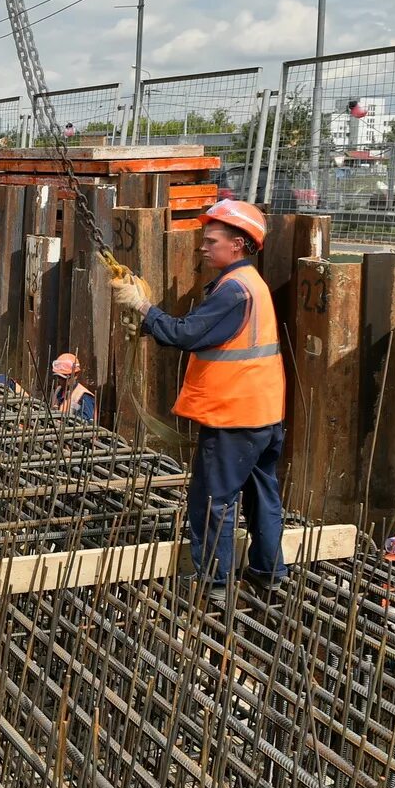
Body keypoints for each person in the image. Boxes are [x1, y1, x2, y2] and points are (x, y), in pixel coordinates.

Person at [113, 199, 285, 600]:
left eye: (211, 240)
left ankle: (215, 583)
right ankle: (268, 572)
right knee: (263, 498)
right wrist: (152, 323)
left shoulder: (235, 291)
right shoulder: (249, 285)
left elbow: (187, 334)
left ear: (238, 244)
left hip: (233, 417)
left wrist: (142, 307)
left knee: (213, 502)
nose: (203, 247)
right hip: (263, 414)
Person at [49, 353, 95, 421]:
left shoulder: (84, 396)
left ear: (76, 375)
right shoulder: (58, 391)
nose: (60, 380)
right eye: (59, 377)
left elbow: (86, 425)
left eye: (64, 377)